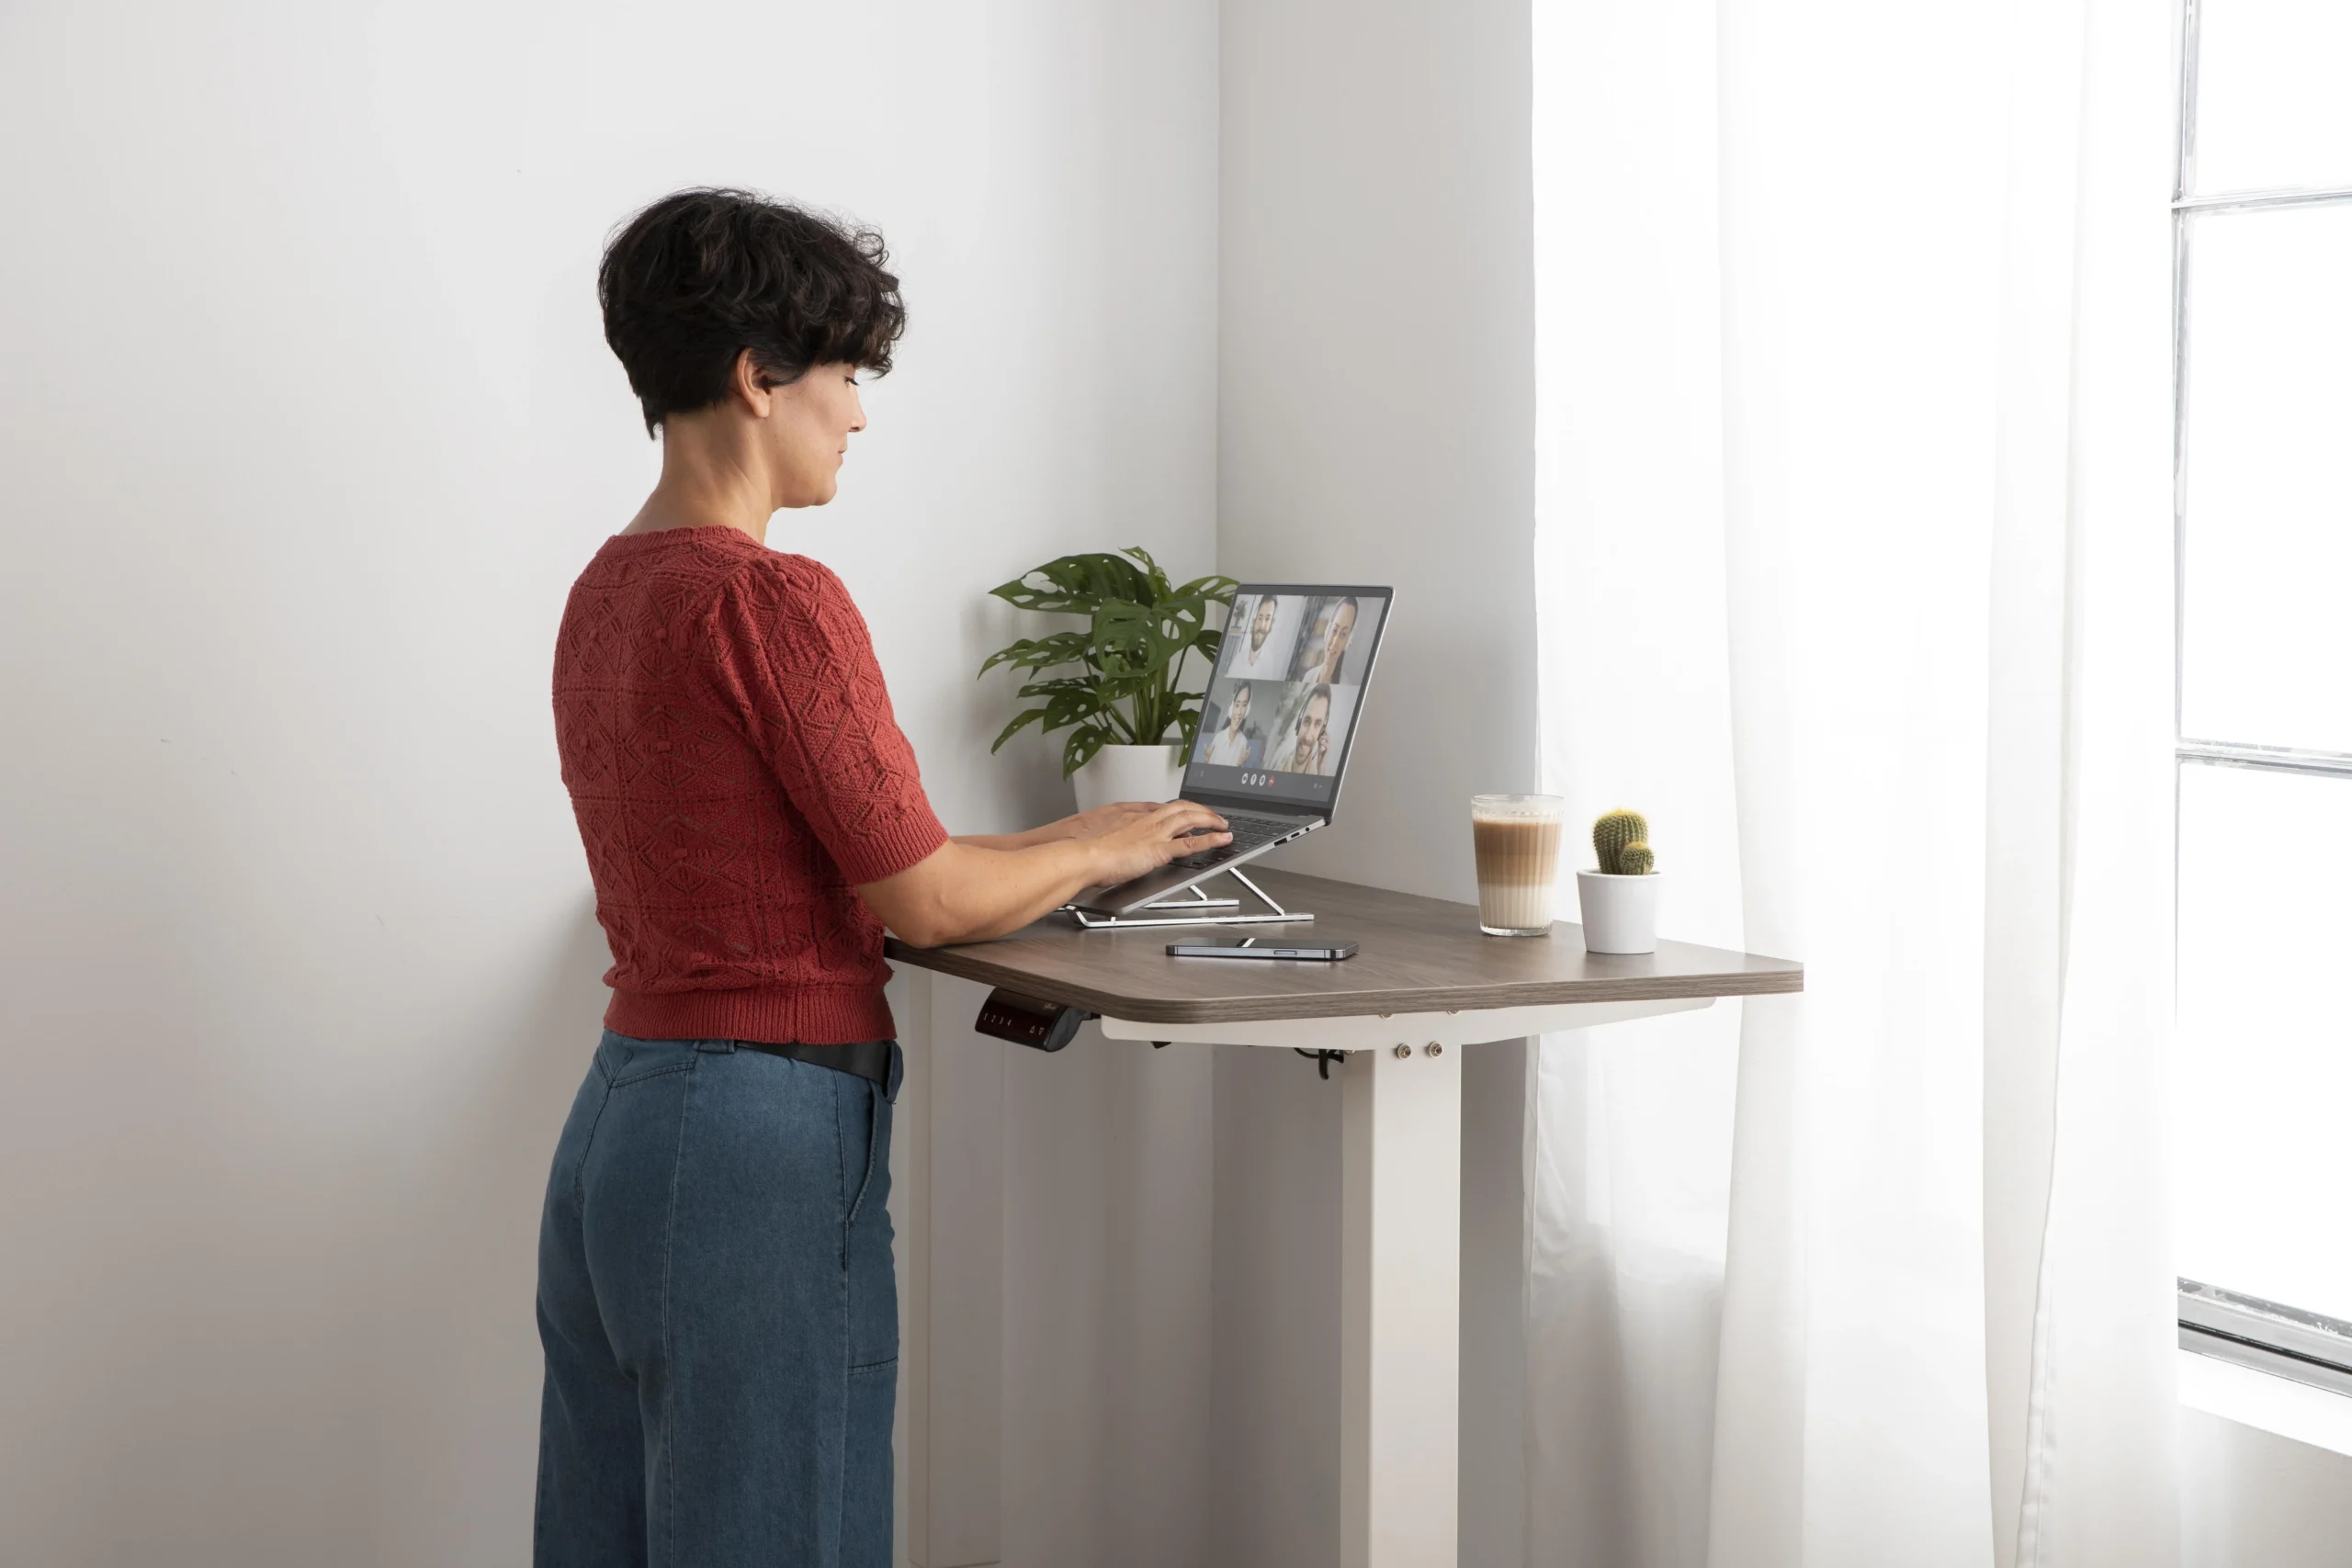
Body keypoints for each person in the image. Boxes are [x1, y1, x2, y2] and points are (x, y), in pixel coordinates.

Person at [537, 188, 1228, 1568]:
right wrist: (1104, 841)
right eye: (847, 373)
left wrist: (1108, 834)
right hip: (753, 1143)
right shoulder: (770, 600)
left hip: (624, 1127)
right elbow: (925, 902)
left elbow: (879, 862)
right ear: (757, 376)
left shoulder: (611, 587)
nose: (858, 411)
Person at [1270, 683, 1336, 775]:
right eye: (1307, 721)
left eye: (1317, 724)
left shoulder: (1318, 775)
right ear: (1299, 723)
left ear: (1322, 732)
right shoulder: (1276, 766)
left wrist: (1321, 772)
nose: (1307, 737)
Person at [1225, 593, 1290, 679]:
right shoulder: (1238, 658)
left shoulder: (1270, 664)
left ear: (1271, 624)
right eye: (1260, 618)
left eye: (1267, 619)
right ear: (1254, 621)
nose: (1262, 625)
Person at [1296, 595, 1359, 684]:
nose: (1334, 642)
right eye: (1334, 630)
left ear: (1348, 641)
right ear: (1327, 630)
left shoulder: (1345, 684)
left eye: (1343, 634)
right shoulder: (1309, 676)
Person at [1199, 681, 1258, 767]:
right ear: (1231, 708)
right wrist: (1206, 762)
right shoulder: (1218, 737)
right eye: (1237, 705)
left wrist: (1240, 764)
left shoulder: (1243, 742)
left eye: (1244, 705)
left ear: (1247, 710)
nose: (1239, 712)